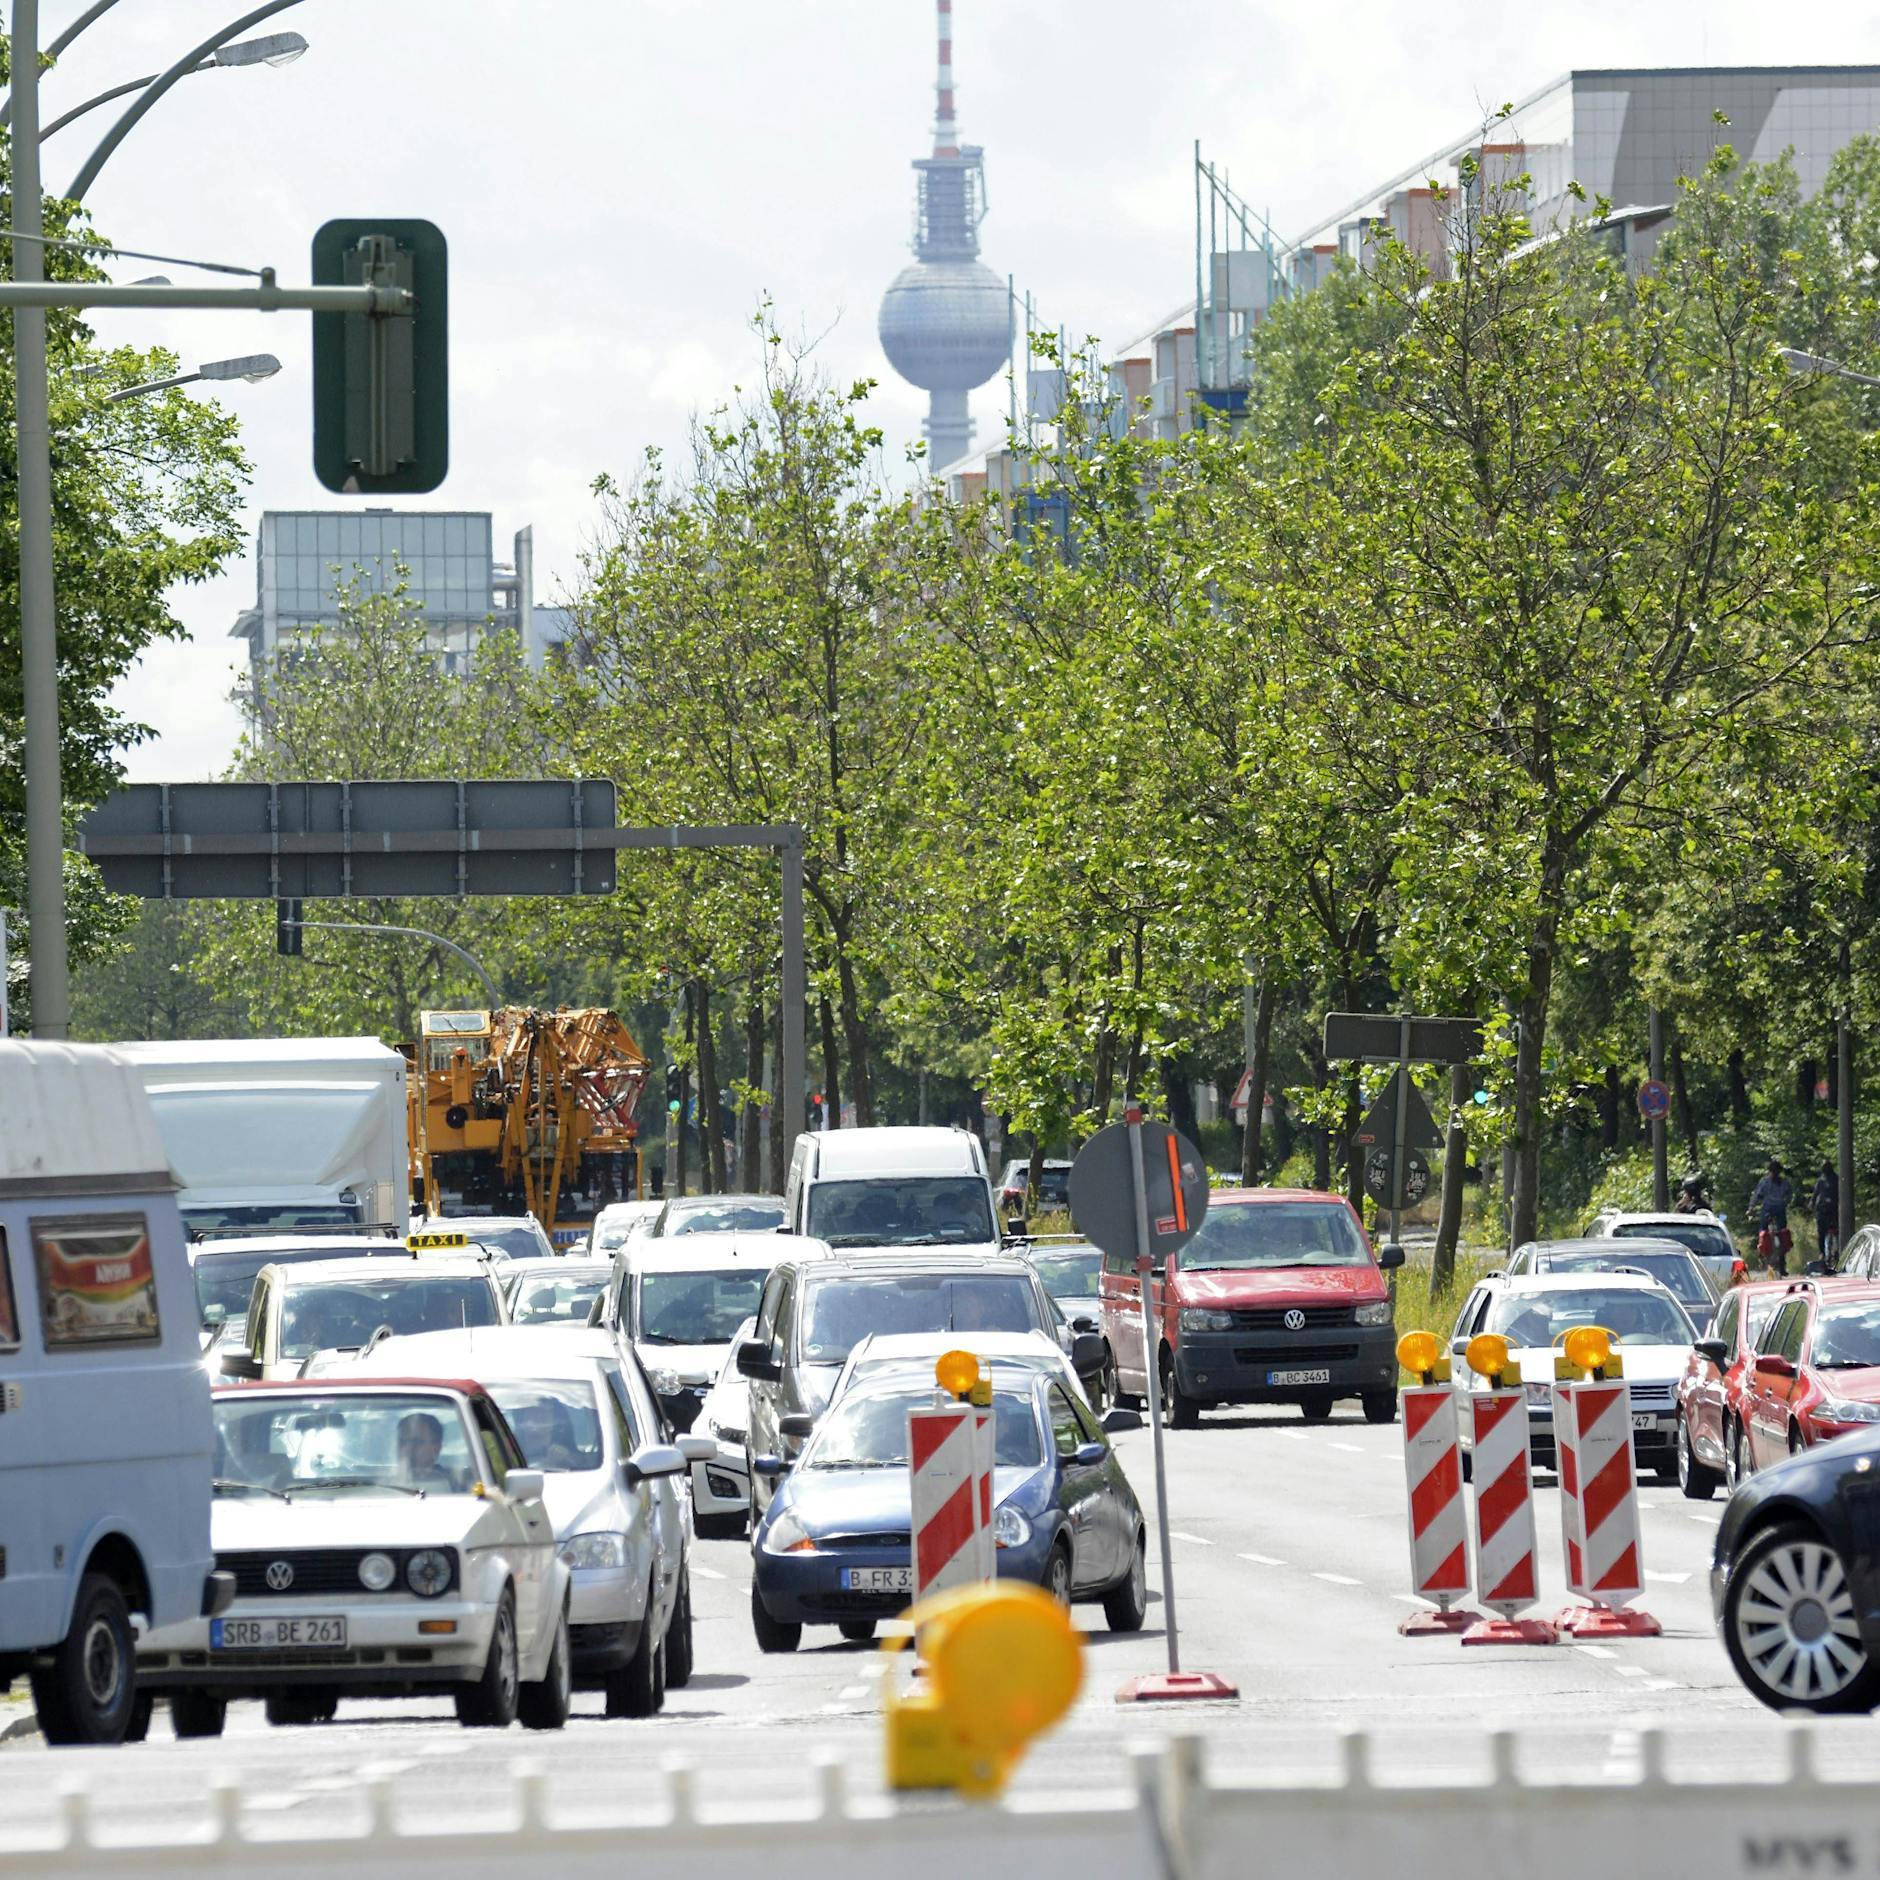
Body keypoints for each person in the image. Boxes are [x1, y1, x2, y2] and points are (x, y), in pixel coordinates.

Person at [1749, 1159, 1795, 1276]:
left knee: (1776, 1234)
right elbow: (1790, 1195)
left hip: (1770, 1210)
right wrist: (1786, 1202)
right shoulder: (1782, 1182)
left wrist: (1751, 1208)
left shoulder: (1766, 1182)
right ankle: (1778, 1262)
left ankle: (1772, 1259)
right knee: (1775, 1233)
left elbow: (1757, 1196)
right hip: (1778, 1210)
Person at [396, 1411, 455, 1490]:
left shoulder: (453, 1488)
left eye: (416, 1442)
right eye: (402, 1442)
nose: (406, 1448)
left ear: (436, 1447)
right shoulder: (385, 1485)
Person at [1813, 1162, 1840, 1267]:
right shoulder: (1821, 1180)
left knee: (1832, 1232)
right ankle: (1823, 1254)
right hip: (1823, 1210)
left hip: (1832, 1210)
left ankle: (1832, 1253)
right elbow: (1815, 1193)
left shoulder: (1835, 1179)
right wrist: (1812, 1203)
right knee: (1822, 1233)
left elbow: (1840, 1193)